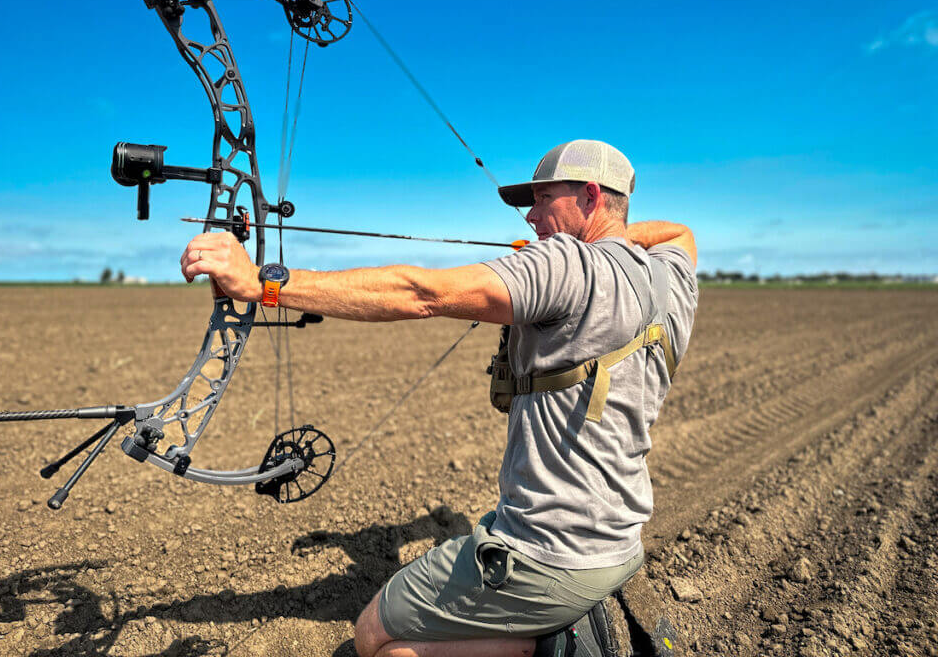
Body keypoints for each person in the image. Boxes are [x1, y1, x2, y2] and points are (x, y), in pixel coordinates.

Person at [181, 139, 698, 657]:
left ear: (589, 195)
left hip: (547, 551)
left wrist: (261, 284)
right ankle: (552, 633)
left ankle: (559, 644)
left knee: (374, 640)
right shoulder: (671, 275)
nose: (531, 217)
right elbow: (681, 232)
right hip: (618, 544)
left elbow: (420, 293)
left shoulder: (565, 265)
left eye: (542, 200)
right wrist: (614, 240)